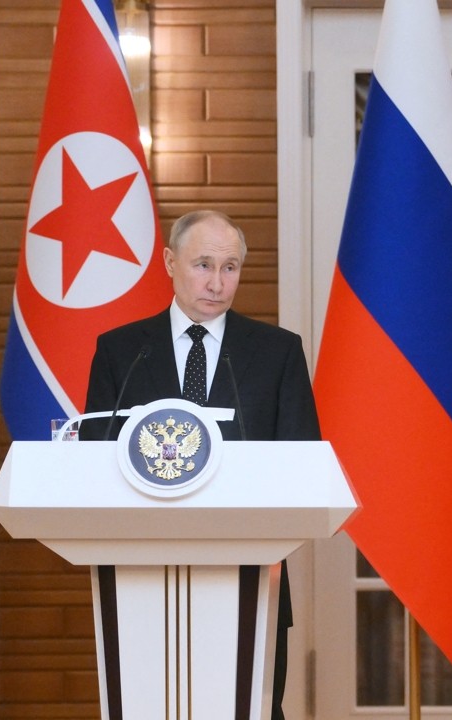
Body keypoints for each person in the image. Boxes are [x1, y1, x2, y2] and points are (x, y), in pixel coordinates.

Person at [84, 209, 320, 720]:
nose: (217, 283)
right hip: (140, 578)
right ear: (170, 262)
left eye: (230, 268)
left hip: (252, 576)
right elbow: (93, 462)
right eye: (203, 265)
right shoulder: (121, 351)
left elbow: (302, 463)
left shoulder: (278, 352)